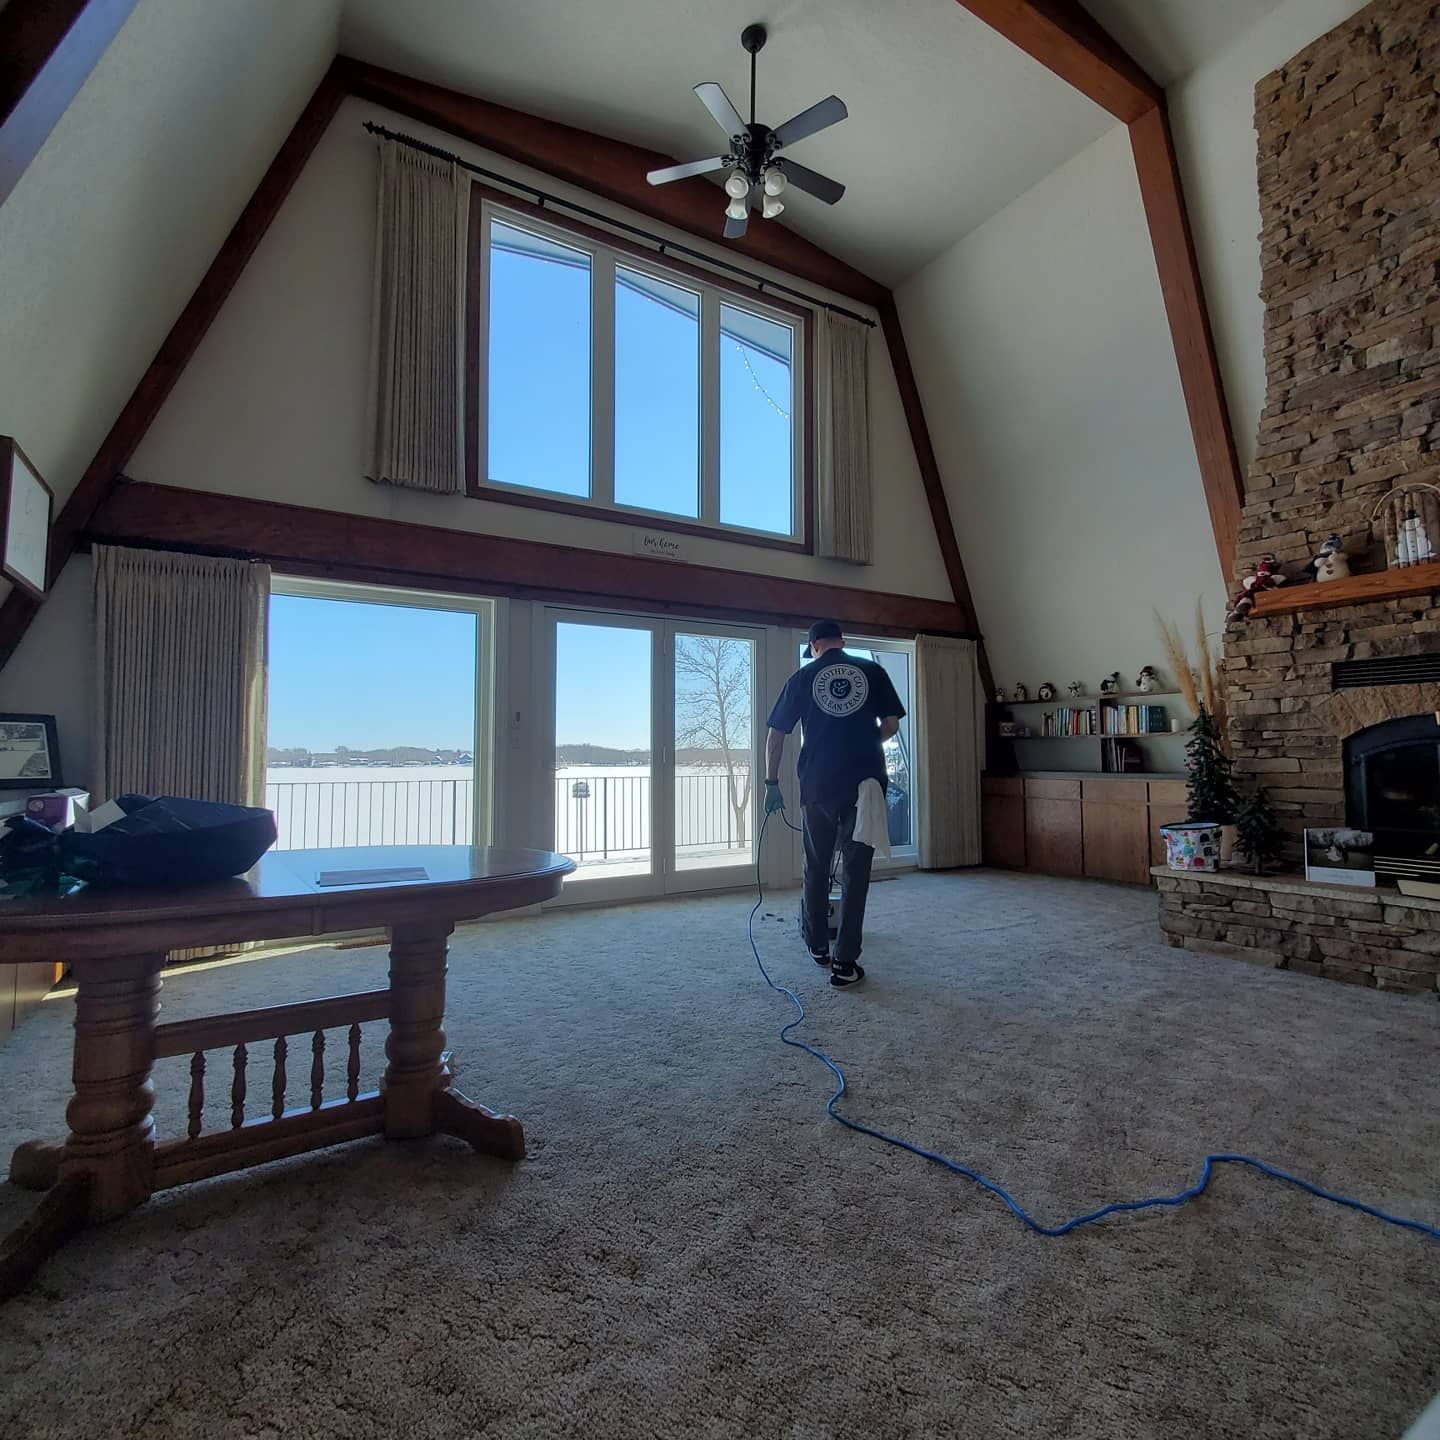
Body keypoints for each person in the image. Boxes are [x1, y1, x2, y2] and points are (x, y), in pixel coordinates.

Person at [763, 620, 905, 989]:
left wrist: (771, 782)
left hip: (818, 784)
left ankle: (816, 945)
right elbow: (891, 724)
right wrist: (864, 739)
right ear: (843, 641)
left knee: (816, 865)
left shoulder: (803, 678)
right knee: (856, 872)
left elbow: (776, 734)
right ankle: (844, 962)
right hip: (865, 783)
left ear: (813, 646)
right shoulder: (872, 671)